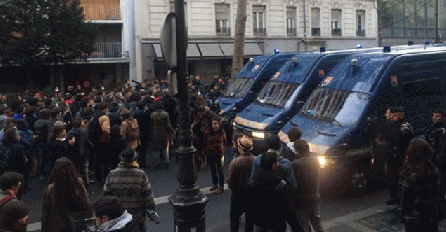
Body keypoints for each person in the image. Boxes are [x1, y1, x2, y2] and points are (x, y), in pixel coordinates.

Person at [245, 152, 304, 232]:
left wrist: (248, 229)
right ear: (273, 165)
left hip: (259, 224)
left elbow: (249, 209)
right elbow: (288, 211)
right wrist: (298, 228)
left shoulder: (252, 182)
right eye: (277, 161)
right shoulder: (280, 185)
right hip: (276, 225)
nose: (278, 164)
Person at [399, 138, 440, 232]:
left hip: (414, 222)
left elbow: (404, 202)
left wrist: (404, 216)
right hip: (432, 219)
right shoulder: (434, 171)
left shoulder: (410, 176)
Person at [42, 157, 92, 232]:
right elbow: (86, 204)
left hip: (58, 225)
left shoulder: (51, 189)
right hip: (76, 223)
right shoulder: (78, 184)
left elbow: (46, 212)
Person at [103, 147, 155, 218]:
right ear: (134, 160)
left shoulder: (112, 174)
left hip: (119, 215)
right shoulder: (141, 174)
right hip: (137, 215)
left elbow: (106, 195)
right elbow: (147, 195)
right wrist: (152, 209)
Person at [292, 139, 324, 232]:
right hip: (314, 196)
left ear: (297, 150)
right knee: (317, 224)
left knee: (304, 225)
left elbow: (293, 182)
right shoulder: (315, 160)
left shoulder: (295, 164)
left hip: (301, 200)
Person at [227, 135, 256, 232]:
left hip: (237, 195)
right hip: (251, 195)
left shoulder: (235, 162)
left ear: (240, 148)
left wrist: (233, 189)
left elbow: (230, 180)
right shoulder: (256, 160)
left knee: (234, 219)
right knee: (250, 220)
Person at [425, 108, 446, 217]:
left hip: (441, 164)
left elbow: (443, 148)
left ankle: (442, 210)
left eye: (437, 116)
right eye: (433, 115)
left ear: (443, 117)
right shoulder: (432, 128)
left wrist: (438, 160)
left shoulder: (443, 130)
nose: (434, 118)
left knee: (441, 186)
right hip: (432, 161)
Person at [206, 117, 226, 194]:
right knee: (213, 169)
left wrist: (223, 151)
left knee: (220, 169)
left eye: (216, 123)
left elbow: (224, 141)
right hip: (211, 152)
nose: (215, 125)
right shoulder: (209, 132)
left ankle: (221, 186)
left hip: (219, 152)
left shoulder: (221, 132)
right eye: (214, 123)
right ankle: (215, 184)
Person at [150, 102, 173, 170]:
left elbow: (151, 124)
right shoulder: (165, 114)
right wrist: (171, 131)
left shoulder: (152, 115)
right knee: (165, 147)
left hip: (156, 132)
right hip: (164, 131)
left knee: (156, 148)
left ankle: (157, 163)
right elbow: (168, 124)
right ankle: (167, 162)